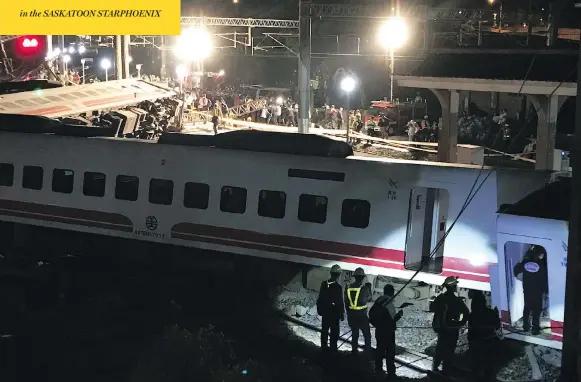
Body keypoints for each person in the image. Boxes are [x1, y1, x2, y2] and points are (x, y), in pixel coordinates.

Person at [430, 276, 469, 375]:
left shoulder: (440, 298)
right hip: (452, 328)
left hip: (442, 328)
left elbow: (433, 309)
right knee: (450, 348)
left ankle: (435, 367)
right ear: (453, 287)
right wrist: (460, 323)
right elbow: (466, 313)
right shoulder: (457, 301)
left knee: (440, 347)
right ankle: (446, 369)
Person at [370, 284, 403, 379]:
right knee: (390, 352)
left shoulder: (379, 300)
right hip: (388, 332)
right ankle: (391, 373)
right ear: (392, 293)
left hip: (379, 330)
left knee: (379, 350)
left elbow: (371, 314)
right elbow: (393, 319)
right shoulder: (389, 302)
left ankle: (378, 369)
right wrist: (400, 314)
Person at [514, 246, 548, 335]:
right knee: (537, 310)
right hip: (538, 291)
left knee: (527, 308)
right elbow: (545, 278)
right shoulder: (541, 264)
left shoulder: (526, 262)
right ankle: (535, 329)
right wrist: (546, 290)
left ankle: (526, 327)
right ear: (540, 254)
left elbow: (516, 269)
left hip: (527, 289)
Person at [468, 290, 501, 381]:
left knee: (476, 367)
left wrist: (470, 344)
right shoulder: (491, 313)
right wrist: (496, 315)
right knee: (489, 366)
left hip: (476, 343)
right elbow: (497, 327)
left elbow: (470, 332)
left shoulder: (472, 315)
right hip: (489, 343)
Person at [316, 265, 345, 354]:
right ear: (339, 275)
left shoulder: (324, 284)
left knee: (324, 331)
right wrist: (342, 313)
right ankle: (333, 351)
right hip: (334, 314)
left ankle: (323, 349)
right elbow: (340, 302)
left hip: (326, 312)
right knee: (334, 333)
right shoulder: (338, 287)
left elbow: (321, 297)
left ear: (331, 273)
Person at [345, 267, 372, 355]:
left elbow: (346, 301)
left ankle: (354, 351)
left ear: (355, 277)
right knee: (366, 334)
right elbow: (369, 299)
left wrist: (348, 313)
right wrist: (369, 288)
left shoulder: (348, 288)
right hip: (362, 315)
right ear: (363, 278)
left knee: (354, 334)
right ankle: (367, 352)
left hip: (352, 314)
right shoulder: (364, 288)